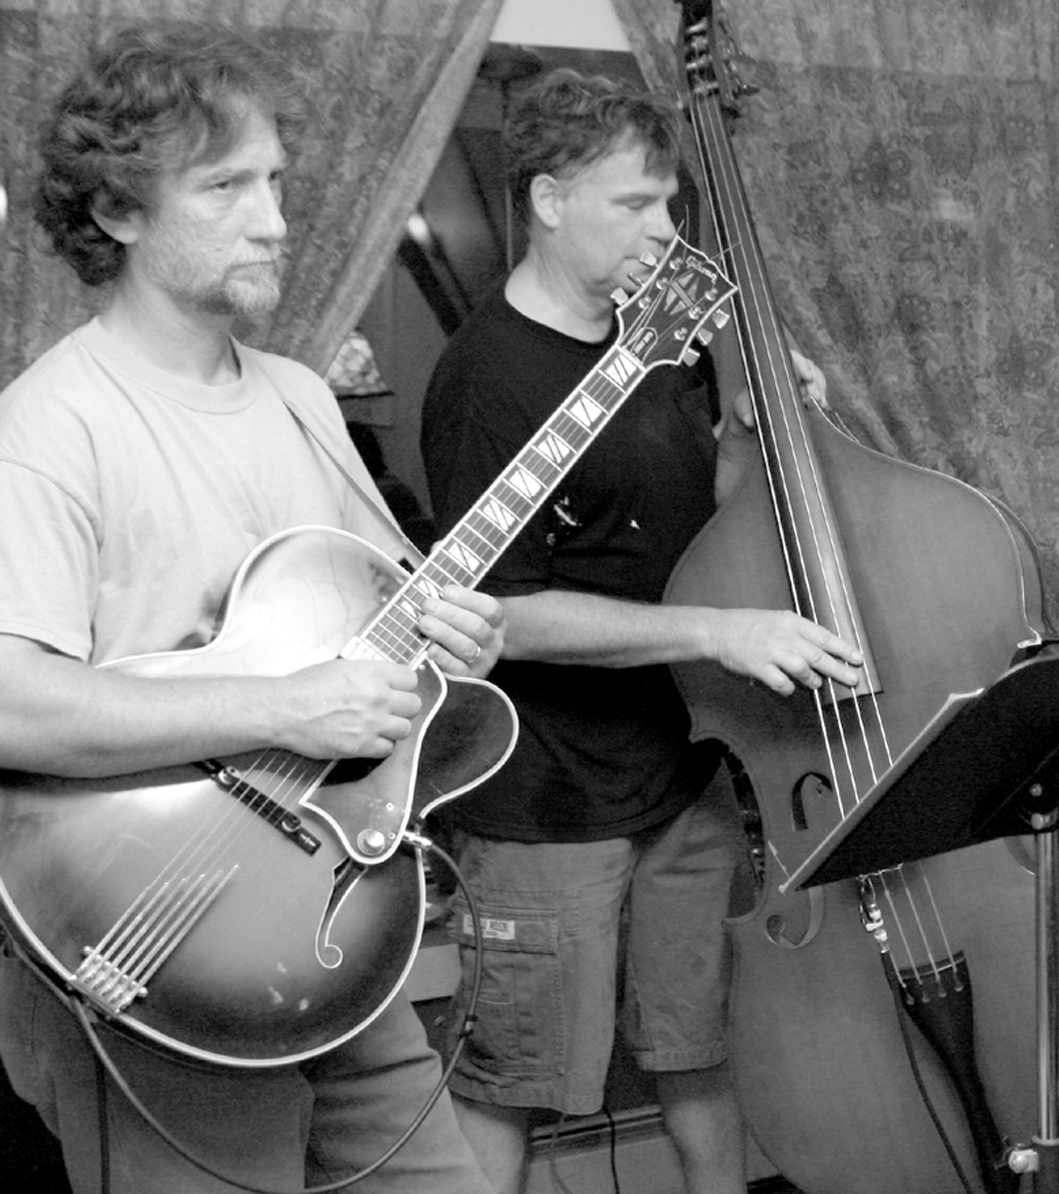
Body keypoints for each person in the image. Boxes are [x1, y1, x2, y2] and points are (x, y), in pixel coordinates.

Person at [0, 23, 505, 1193]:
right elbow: (12, 706)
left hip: (329, 923)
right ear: (117, 211)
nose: (274, 219)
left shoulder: (299, 399)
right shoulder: (48, 430)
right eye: (226, 186)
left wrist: (456, 637)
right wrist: (288, 705)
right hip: (155, 947)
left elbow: (382, 622)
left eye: (275, 180)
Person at [418, 69, 863, 1194]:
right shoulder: (484, 378)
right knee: (512, 1081)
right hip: (547, 799)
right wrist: (716, 632)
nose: (665, 230)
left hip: (682, 769)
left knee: (698, 1054)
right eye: (634, 204)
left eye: (669, 203)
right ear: (549, 200)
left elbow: (704, 523)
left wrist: (756, 426)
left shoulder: (658, 348)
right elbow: (502, 614)